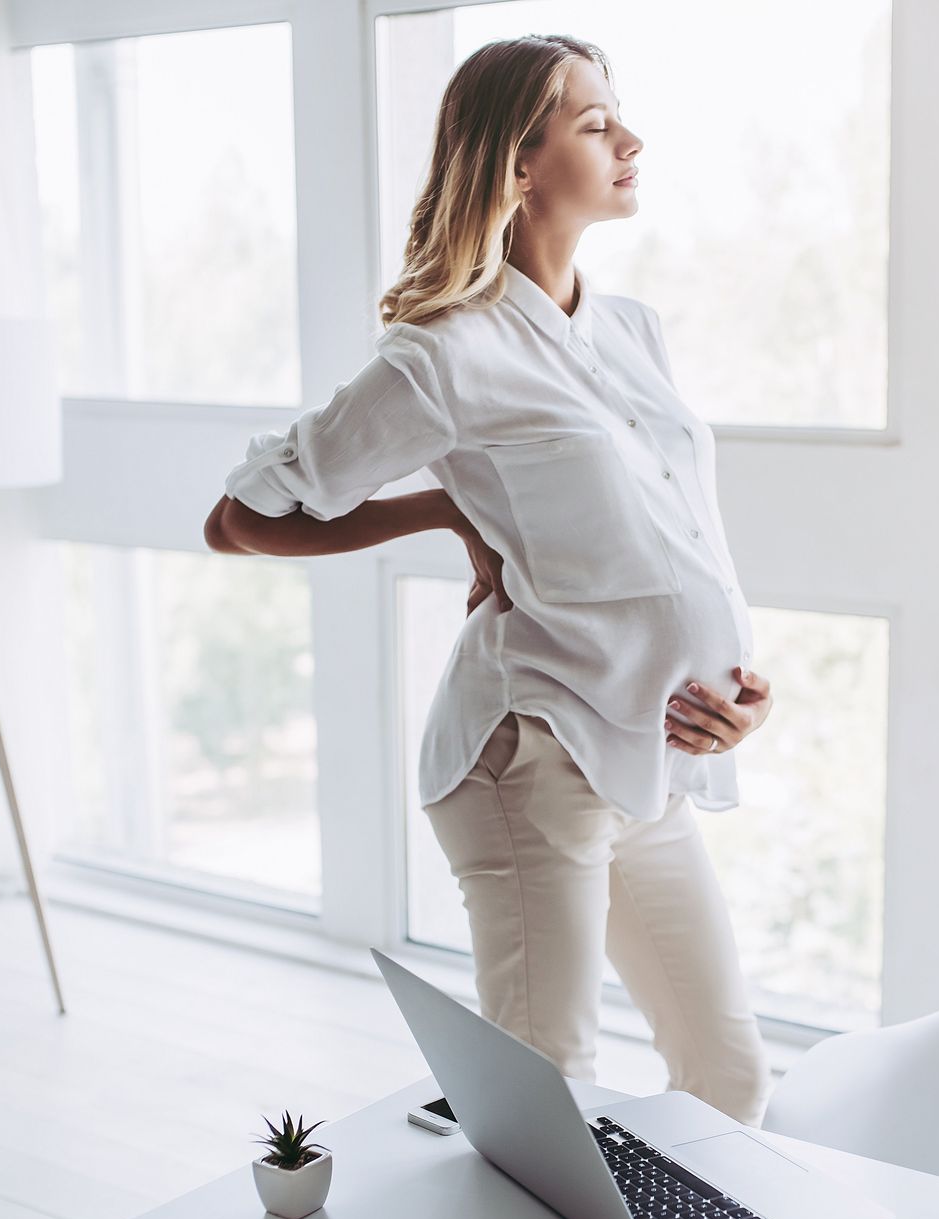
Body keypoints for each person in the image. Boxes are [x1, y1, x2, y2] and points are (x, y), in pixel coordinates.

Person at [203, 34, 775, 1127]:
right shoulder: (444, 354)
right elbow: (241, 520)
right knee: (545, 1093)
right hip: (535, 758)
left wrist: (738, 686)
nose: (632, 139)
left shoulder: (632, 330)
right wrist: (443, 505)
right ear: (518, 166)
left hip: (646, 746)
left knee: (731, 1075)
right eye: (597, 123)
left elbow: (676, 529)